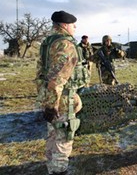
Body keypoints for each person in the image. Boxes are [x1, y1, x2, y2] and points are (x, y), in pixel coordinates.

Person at [35, 10, 89, 175]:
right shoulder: (65, 44)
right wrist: (52, 105)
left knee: (52, 136)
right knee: (63, 137)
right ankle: (58, 171)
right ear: (65, 25)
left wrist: (47, 101)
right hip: (62, 100)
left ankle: (52, 168)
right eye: (73, 25)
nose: (75, 27)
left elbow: (41, 73)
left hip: (49, 97)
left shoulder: (48, 42)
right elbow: (57, 78)